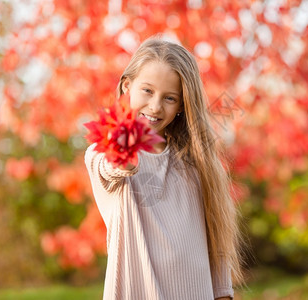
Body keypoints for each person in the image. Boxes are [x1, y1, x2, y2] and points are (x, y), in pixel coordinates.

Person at [85, 36, 243, 300]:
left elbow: (215, 247)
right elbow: (114, 164)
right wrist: (123, 135)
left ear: (182, 105)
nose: (156, 106)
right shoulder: (103, 153)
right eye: (147, 91)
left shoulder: (195, 163)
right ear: (127, 86)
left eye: (170, 98)